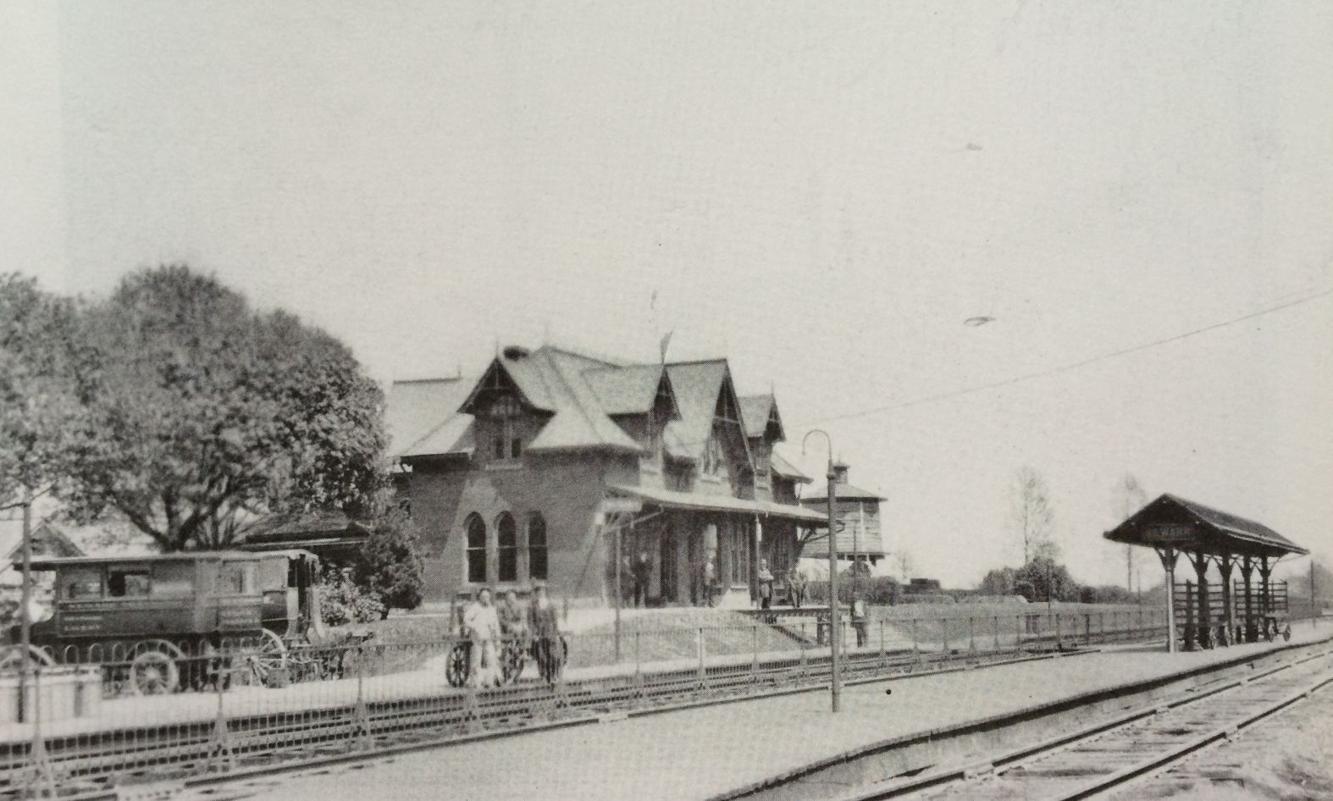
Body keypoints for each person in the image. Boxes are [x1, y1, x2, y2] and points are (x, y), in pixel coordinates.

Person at [462, 587, 502, 687]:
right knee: (476, 660)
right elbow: (466, 619)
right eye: (483, 596)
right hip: (477, 638)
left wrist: (498, 639)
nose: (485, 599)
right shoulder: (475, 608)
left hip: (488, 637)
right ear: (479, 597)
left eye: (487, 596)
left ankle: (489, 681)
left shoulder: (492, 609)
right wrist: (475, 626)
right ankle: (475, 683)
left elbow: (496, 624)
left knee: (491, 659)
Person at [527, 583, 563, 683]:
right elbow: (530, 621)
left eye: (542, 591)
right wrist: (534, 633)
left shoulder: (551, 605)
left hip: (550, 634)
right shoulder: (532, 606)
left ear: (545, 592)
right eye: (538, 592)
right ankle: (543, 675)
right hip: (539, 635)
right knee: (541, 656)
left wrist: (555, 633)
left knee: (553, 655)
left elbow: (555, 620)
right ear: (536, 593)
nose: (540, 593)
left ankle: (553, 675)